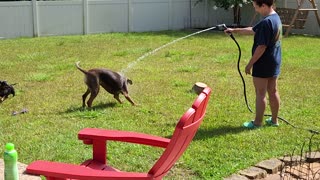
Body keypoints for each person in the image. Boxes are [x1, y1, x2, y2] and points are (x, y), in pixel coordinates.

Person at [225, 0, 282, 129]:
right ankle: (274, 121)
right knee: (273, 91)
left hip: (263, 63)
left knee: (260, 93)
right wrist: (235, 30)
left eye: (256, 7)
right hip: (274, 61)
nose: (255, 10)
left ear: (263, 5)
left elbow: (261, 46)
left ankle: (257, 123)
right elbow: (253, 30)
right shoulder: (274, 17)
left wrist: (250, 64)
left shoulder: (266, 22)